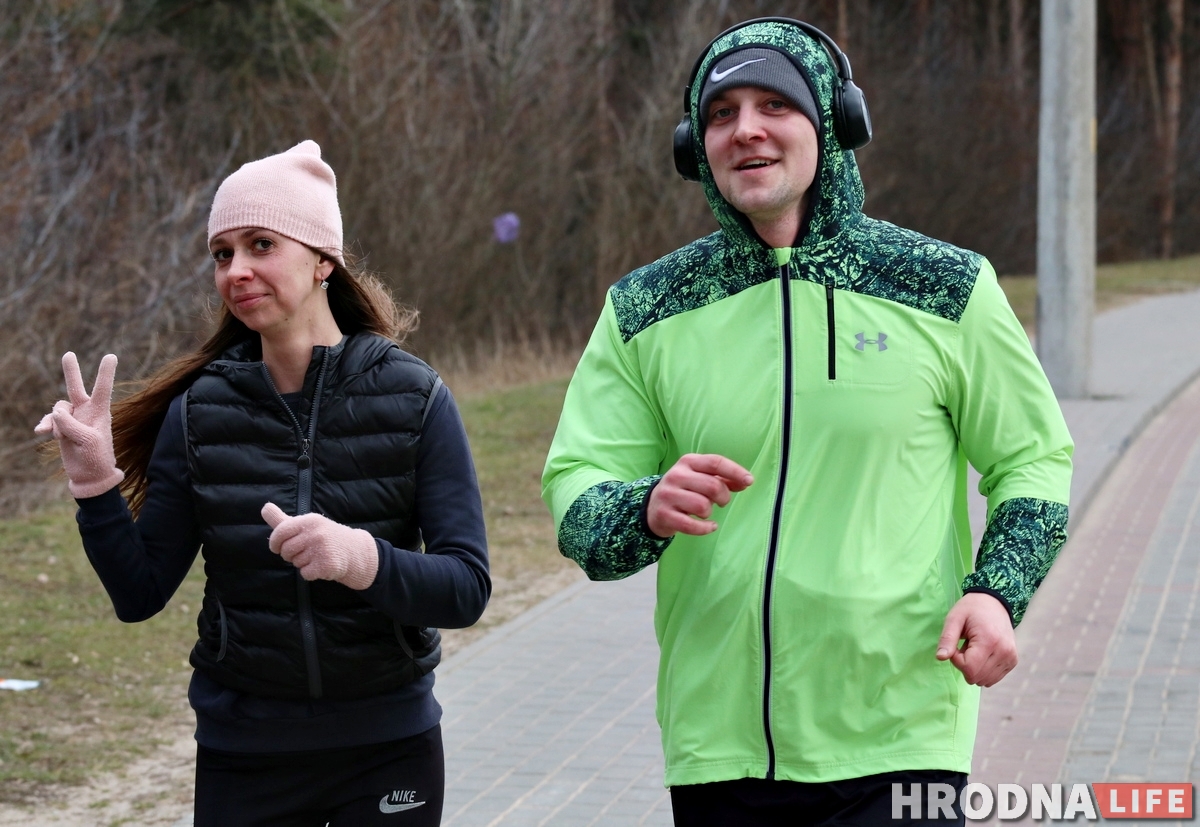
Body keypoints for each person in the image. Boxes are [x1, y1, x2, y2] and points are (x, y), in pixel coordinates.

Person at [541, 17, 1072, 826]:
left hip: (899, 737)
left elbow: (1033, 458)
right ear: (696, 144)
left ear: (833, 122)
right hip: (719, 746)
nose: (746, 129)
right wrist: (642, 507)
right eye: (721, 113)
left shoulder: (946, 287)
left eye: (773, 105)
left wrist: (999, 593)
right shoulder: (644, 309)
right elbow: (577, 491)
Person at [35, 140, 489, 826]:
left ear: (321, 260)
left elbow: (465, 587)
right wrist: (95, 481)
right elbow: (139, 592)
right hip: (245, 753)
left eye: (260, 244)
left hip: (386, 746)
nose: (236, 270)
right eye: (223, 253)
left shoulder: (416, 398)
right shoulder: (200, 412)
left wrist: (360, 559)